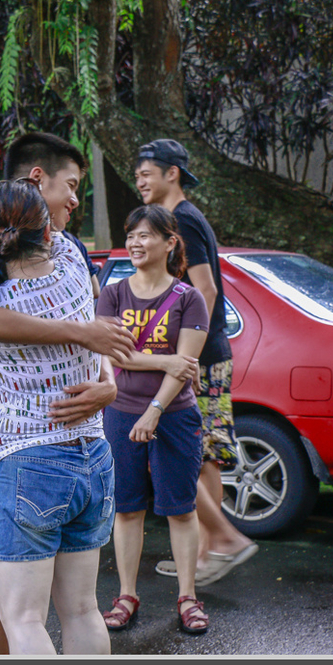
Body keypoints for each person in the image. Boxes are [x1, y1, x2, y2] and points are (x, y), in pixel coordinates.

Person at [0, 132, 133, 655]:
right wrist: (88, 342)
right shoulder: (54, 261)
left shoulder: (23, 285)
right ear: (38, 186)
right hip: (66, 455)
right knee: (75, 608)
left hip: (28, 459)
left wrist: (106, 386)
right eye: (72, 187)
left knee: (21, 619)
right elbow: (86, 325)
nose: (76, 202)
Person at [133, 139, 257, 586]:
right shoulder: (180, 217)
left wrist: (178, 353)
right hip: (204, 354)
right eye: (138, 174)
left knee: (190, 453)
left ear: (173, 173)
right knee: (203, 455)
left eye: (147, 172)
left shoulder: (183, 218)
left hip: (198, 359)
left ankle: (219, 543)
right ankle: (207, 553)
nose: (139, 181)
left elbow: (205, 289)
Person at [97, 204, 210, 635]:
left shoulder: (188, 297)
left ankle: (188, 597)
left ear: (169, 242)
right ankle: (126, 594)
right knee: (126, 510)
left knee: (180, 510)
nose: (135, 243)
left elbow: (186, 367)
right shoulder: (113, 294)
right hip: (120, 413)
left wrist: (155, 410)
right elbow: (113, 354)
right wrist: (165, 361)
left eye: (145, 235)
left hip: (174, 415)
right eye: (131, 235)